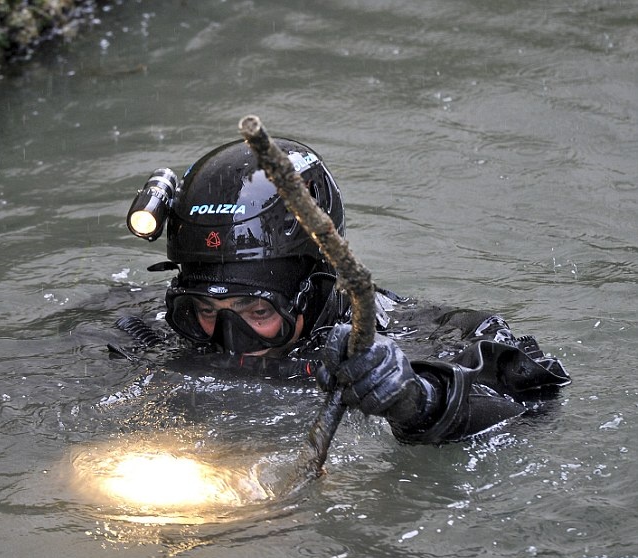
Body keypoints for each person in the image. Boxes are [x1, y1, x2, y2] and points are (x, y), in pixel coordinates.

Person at [115, 137, 571, 445]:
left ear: (314, 292)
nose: (228, 339)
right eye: (203, 309)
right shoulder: (150, 330)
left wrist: (419, 400)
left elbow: (537, 401)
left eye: (256, 310)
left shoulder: (421, 337)